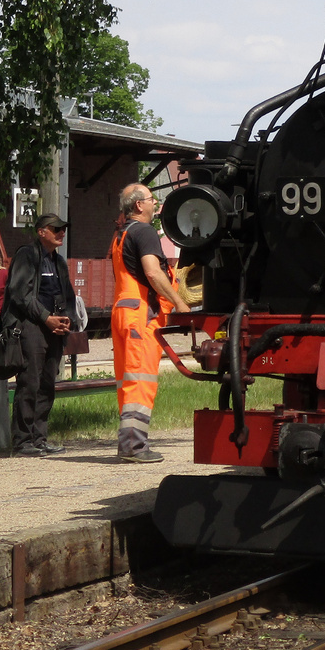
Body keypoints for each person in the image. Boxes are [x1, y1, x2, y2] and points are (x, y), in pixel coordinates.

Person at [111, 183, 190, 463]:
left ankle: (129, 442)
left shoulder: (121, 234)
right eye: (151, 199)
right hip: (140, 313)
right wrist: (180, 304)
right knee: (140, 380)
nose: (155, 203)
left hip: (123, 309)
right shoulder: (144, 232)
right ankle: (133, 446)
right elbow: (153, 274)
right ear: (138, 206)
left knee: (128, 380)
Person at [0, 214, 79, 456]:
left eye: (63, 228)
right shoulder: (27, 255)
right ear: (41, 232)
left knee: (46, 384)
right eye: (56, 229)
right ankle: (22, 442)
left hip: (54, 328)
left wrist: (67, 319)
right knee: (29, 383)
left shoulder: (59, 262)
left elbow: (69, 296)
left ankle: (39, 439)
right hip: (31, 326)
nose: (61, 232)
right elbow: (19, 293)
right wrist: (46, 318)